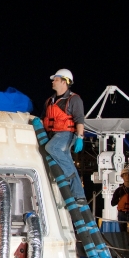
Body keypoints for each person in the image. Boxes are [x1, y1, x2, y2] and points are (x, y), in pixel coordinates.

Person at [42, 68, 86, 200]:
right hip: (53, 134)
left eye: (56, 79)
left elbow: (79, 119)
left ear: (64, 82)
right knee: (68, 162)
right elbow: (43, 117)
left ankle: (67, 175)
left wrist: (80, 137)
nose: (53, 82)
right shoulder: (50, 101)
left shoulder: (74, 99)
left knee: (52, 148)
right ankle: (79, 195)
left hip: (66, 133)